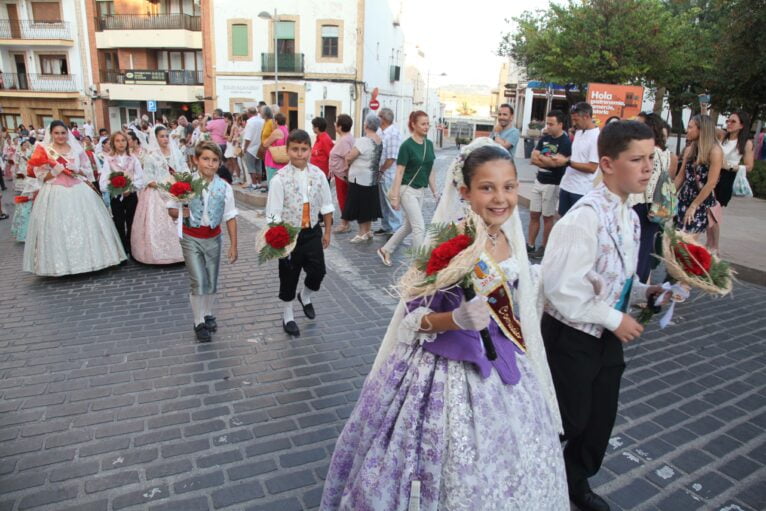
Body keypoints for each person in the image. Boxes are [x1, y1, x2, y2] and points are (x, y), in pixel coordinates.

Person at [321, 139, 568, 510]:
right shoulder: (452, 240)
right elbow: (411, 322)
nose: (500, 198)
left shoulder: (509, 238)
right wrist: (454, 318)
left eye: (509, 187)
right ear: (465, 192)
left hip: (502, 367)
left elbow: (518, 299)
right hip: (444, 373)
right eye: (487, 188)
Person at [542, 121, 668, 511]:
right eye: (637, 159)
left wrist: (647, 293)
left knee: (599, 422)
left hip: (605, 338)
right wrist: (614, 319)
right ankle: (540, 478)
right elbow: (561, 286)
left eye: (651, 158)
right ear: (608, 164)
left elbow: (619, 274)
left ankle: (574, 481)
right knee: (569, 419)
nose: (648, 168)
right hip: (572, 337)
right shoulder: (584, 218)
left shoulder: (630, 216)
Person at [23, 121, 126, 275]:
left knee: (88, 223)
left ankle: (94, 260)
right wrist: (56, 171)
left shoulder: (76, 149)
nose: (60, 136)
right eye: (56, 133)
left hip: (79, 189)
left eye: (63, 133)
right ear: (51, 134)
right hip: (55, 191)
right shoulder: (45, 150)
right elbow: (41, 176)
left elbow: (87, 171)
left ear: (67, 133)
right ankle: (61, 265)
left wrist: (77, 169)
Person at [265, 129, 334, 338]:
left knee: (318, 271)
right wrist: (279, 242)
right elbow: (273, 214)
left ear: (310, 151)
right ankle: (288, 315)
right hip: (289, 234)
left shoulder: (318, 174)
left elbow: (327, 205)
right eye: (295, 149)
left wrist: (327, 231)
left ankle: (305, 296)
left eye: (304, 149)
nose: (299, 154)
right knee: (289, 274)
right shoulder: (279, 179)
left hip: (311, 231)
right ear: (287, 150)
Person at [168, 141, 238, 343]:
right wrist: (183, 210)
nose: (210, 164)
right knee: (198, 280)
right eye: (205, 159)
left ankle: (207, 313)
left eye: (215, 160)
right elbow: (171, 208)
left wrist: (234, 245)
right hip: (191, 237)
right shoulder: (186, 182)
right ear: (196, 160)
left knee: (211, 280)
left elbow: (230, 216)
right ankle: (198, 321)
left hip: (213, 237)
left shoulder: (224, 187)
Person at [377, 110, 438, 266]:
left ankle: (386, 250)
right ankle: (419, 265)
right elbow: (399, 172)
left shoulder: (429, 144)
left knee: (408, 226)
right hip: (407, 190)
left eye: (427, 123)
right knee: (419, 227)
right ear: (413, 125)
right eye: (423, 124)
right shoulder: (407, 145)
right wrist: (395, 196)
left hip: (421, 191)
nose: (426, 127)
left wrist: (435, 191)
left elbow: (430, 169)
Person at [629, 113, 678, 282]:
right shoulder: (665, 153)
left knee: (638, 247)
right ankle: (641, 283)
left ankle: (634, 284)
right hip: (655, 206)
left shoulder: (652, 153)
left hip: (642, 204)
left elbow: (648, 183)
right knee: (645, 247)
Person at [131, 125, 185, 265]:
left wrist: (182, 181)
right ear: (156, 138)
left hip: (176, 191)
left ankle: (184, 252)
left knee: (180, 221)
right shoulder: (151, 156)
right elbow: (148, 179)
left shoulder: (176, 152)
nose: (165, 139)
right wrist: (164, 186)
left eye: (167, 136)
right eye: (162, 136)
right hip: (157, 194)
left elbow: (184, 169)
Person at [707, 111, 754, 253]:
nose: (729, 124)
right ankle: (710, 244)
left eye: (733, 121)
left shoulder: (745, 143)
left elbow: (749, 166)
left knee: (713, 211)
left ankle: (714, 246)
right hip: (714, 173)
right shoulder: (722, 136)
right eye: (728, 121)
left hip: (727, 177)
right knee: (708, 211)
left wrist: (730, 166)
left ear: (741, 125)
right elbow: (707, 126)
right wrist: (704, 108)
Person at [527, 109, 572, 259]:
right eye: (547, 123)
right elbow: (533, 158)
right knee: (534, 214)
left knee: (547, 217)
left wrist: (542, 158)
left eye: (551, 124)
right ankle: (530, 244)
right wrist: (548, 159)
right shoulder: (545, 138)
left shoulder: (565, 142)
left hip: (552, 184)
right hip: (538, 180)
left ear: (560, 124)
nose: (548, 126)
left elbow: (557, 164)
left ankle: (544, 247)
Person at [674, 115, 723, 239]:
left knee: (686, 243)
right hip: (684, 199)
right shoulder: (690, 149)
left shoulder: (715, 151)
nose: (687, 130)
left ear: (701, 130)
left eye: (690, 127)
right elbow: (681, 176)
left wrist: (694, 206)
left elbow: (711, 183)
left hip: (700, 202)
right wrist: (668, 197)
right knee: (677, 240)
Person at [100, 131, 145, 260]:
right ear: (113, 143)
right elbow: (104, 180)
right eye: (117, 141)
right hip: (116, 196)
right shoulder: (109, 160)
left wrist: (130, 188)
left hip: (130, 195)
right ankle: (121, 250)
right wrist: (116, 188)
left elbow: (140, 177)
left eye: (123, 140)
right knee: (119, 222)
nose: (121, 143)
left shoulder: (133, 158)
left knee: (131, 221)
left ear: (127, 142)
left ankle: (132, 248)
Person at [343, 114, 383, 242]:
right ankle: (368, 231)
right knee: (369, 206)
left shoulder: (363, 141)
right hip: (372, 178)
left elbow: (350, 156)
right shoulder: (379, 140)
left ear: (366, 125)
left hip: (360, 178)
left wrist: (347, 157)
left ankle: (361, 233)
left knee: (361, 206)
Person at [558, 102, 600, 216]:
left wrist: (567, 162)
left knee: (575, 224)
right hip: (567, 185)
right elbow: (577, 157)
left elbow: (592, 167)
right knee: (562, 220)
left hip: (581, 190)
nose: (574, 123)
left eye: (576, 120)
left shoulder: (596, 137)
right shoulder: (579, 132)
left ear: (586, 116)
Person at [375, 107, 403, 236]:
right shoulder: (381, 132)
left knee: (391, 201)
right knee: (382, 203)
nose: (377, 118)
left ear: (383, 119)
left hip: (389, 174)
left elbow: (391, 157)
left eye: (379, 116)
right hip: (382, 173)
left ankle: (396, 228)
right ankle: (386, 226)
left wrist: (381, 170)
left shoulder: (393, 134)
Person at [328, 114, 355, 234]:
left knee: (343, 198)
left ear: (340, 126)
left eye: (336, 122)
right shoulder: (346, 138)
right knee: (343, 198)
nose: (334, 124)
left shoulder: (344, 140)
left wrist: (346, 174)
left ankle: (345, 224)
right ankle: (345, 222)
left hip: (342, 175)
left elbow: (348, 157)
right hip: (341, 174)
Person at [262, 113, 289, 185]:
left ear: (276, 121)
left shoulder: (277, 131)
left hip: (273, 161)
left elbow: (265, 144)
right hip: (283, 159)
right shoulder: (286, 129)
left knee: (272, 183)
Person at [242, 106, 265, 190]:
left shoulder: (250, 122)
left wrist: (245, 148)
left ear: (249, 113)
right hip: (259, 147)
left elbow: (248, 137)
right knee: (258, 166)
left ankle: (254, 184)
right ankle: (259, 183)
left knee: (251, 167)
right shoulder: (262, 121)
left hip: (251, 147)